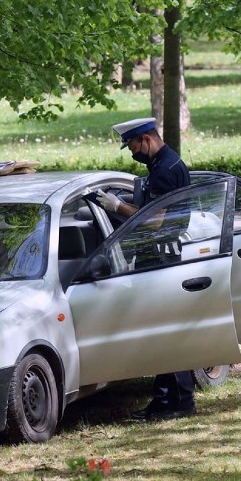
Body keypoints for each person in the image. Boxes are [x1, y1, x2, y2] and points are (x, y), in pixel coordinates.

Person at [96, 117, 196, 421]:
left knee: (166, 332)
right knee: (162, 331)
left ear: (147, 140)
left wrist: (116, 206)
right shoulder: (163, 165)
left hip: (163, 258)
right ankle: (165, 401)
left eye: (132, 146)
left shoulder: (164, 170)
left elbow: (154, 221)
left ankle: (177, 402)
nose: (131, 153)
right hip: (162, 255)